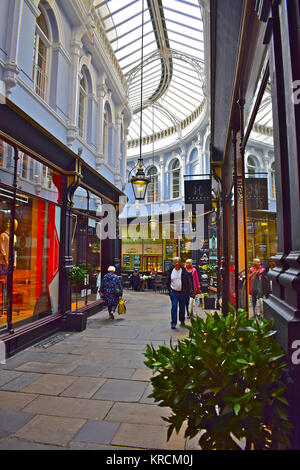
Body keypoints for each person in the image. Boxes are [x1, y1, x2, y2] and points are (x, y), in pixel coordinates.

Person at [166, 257, 189, 329]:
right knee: (174, 306)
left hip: (182, 293)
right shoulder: (171, 271)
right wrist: (169, 290)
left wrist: (186, 291)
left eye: (179, 262)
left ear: (180, 263)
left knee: (182, 307)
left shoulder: (184, 271)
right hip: (173, 292)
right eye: (176, 262)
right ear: (174, 263)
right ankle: (173, 323)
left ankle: (182, 320)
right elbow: (168, 281)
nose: (177, 263)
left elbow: (187, 282)